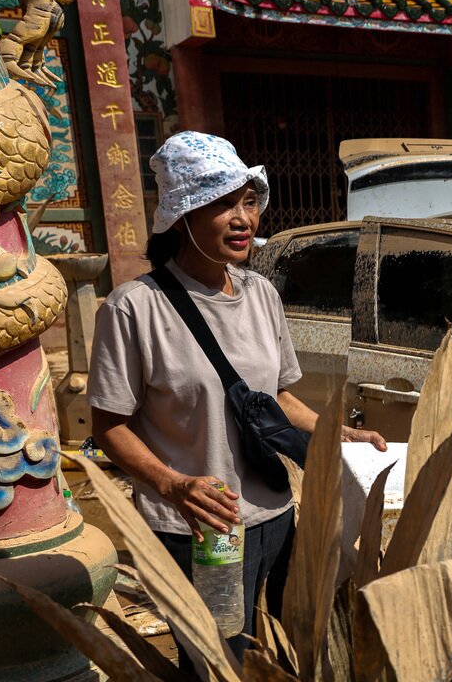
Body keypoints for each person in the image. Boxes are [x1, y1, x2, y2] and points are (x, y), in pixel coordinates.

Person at [88, 131, 384, 653]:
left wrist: (342, 432)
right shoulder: (133, 308)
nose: (243, 218)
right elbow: (110, 429)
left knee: (285, 656)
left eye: (248, 202)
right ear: (184, 216)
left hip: (275, 516)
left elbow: (278, 400)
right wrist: (174, 485)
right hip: (200, 531)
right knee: (219, 666)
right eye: (222, 204)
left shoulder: (261, 294)